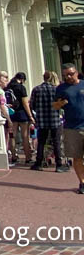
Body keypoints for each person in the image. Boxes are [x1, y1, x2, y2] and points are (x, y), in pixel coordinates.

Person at [54, 62, 84, 193]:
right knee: (77, 157)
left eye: (71, 74)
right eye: (66, 75)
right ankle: (82, 183)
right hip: (72, 127)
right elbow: (55, 106)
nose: (69, 77)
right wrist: (60, 103)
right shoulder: (61, 88)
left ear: (76, 73)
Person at [31, 70, 67, 172]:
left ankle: (38, 163)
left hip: (42, 119)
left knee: (41, 141)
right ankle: (59, 164)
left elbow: (32, 105)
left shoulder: (36, 89)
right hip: (55, 119)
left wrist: (39, 110)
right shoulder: (56, 89)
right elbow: (62, 104)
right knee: (56, 142)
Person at [7, 72, 34, 164]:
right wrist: (30, 115)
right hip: (22, 113)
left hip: (12, 113)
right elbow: (25, 103)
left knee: (12, 136)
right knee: (25, 136)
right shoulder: (21, 87)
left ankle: (13, 155)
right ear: (22, 79)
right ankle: (28, 157)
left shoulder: (9, 87)